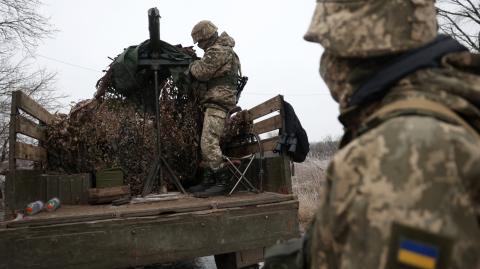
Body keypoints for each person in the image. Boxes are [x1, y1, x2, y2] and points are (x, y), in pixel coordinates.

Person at [265, 0, 480, 268]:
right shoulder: (453, 110)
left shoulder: (401, 151)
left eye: (328, 49)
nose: (325, 65)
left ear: (354, 49)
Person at [187, 20, 241, 197]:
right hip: (215, 101)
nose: (199, 46)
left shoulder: (219, 50)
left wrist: (191, 65)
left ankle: (222, 181)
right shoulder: (220, 49)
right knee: (205, 144)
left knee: (208, 142)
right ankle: (209, 180)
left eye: (200, 42)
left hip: (219, 101)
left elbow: (201, 71)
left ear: (206, 37)